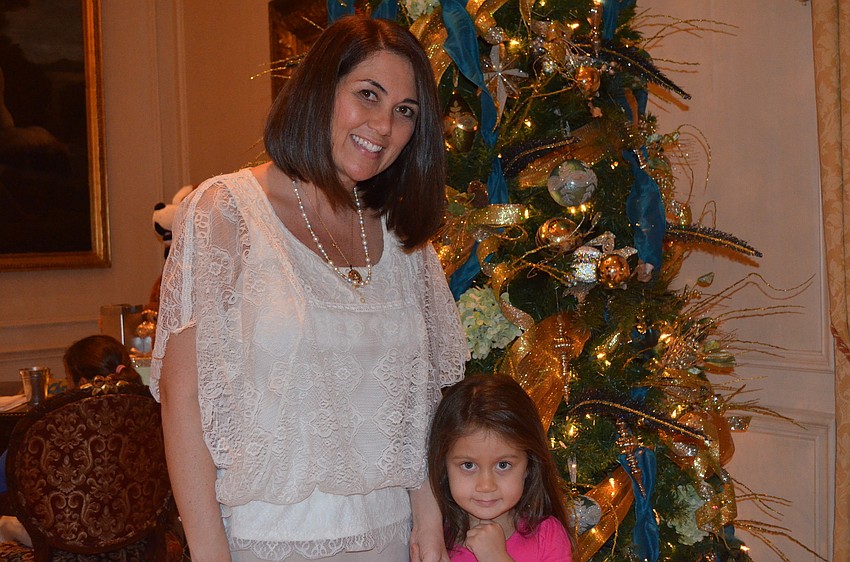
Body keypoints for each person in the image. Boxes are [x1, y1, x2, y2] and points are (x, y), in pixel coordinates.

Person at [150, 14, 468, 562]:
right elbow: (185, 402)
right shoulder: (225, 212)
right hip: (269, 543)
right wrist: (208, 554)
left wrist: (429, 522)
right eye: (367, 94)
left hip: (393, 538)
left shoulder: (401, 237)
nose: (384, 126)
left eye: (405, 111)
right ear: (322, 89)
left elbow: (418, 407)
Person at [427, 374, 574, 562]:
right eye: (468, 465)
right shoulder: (435, 543)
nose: (486, 486)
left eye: (503, 465)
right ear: (444, 465)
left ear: (529, 465)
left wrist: (496, 558)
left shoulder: (548, 535)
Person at [62, 334, 143, 388]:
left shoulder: (65, 413)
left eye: (67, 379)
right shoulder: (148, 406)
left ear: (83, 384)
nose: (67, 386)